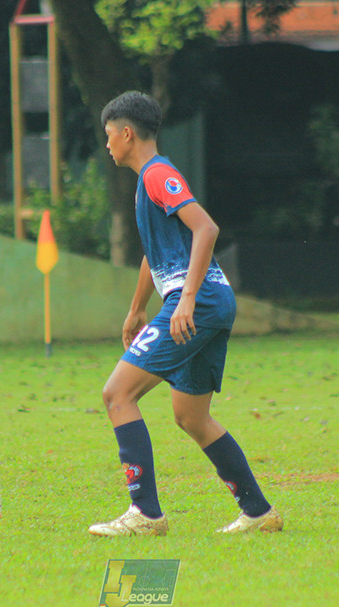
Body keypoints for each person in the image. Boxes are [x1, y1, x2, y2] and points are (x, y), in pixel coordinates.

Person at [88, 91, 283, 536]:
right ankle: (259, 512)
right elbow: (154, 254)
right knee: (191, 416)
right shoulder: (148, 182)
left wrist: (188, 298)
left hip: (199, 302)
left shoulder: (158, 174)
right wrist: (137, 308)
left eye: (108, 136)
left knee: (117, 395)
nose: (107, 146)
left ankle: (145, 515)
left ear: (126, 133)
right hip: (206, 301)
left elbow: (206, 228)